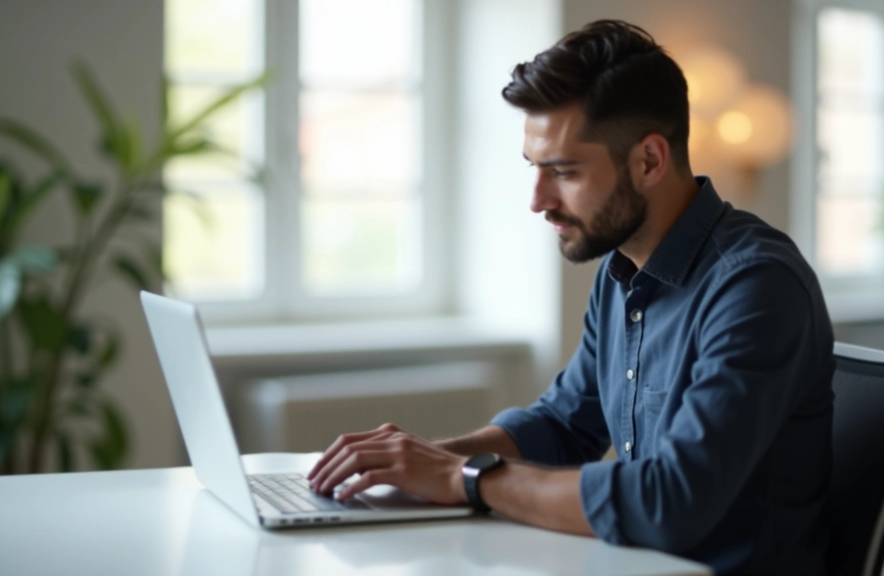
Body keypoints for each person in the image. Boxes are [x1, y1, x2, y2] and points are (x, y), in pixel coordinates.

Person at [307, 19, 834, 576]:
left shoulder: (755, 285)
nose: (537, 201)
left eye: (563, 172)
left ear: (649, 161)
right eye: (535, 168)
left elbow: (670, 501)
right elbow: (563, 426)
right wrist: (430, 460)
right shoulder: (621, 272)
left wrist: (464, 480)